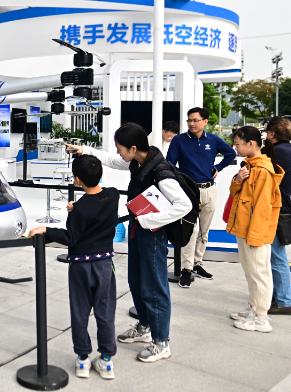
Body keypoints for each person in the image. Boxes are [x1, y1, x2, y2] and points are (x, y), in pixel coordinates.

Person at [67, 123, 191, 363]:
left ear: (134, 148)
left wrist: (148, 219)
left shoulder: (160, 171)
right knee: (136, 280)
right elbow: (114, 161)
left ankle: (161, 342)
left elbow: (183, 205)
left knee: (154, 287)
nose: (119, 152)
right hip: (139, 230)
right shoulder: (139, 160)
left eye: (121, 148)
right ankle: (144, 327)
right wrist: (85, 150)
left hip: (152, 233)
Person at [28, 155, 120, 380]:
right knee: (105, 312)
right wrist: (77, 206)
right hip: (104, 264)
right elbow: (99, 201)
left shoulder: (80, 209)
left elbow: (71, 237)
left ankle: (82, 359)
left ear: (77, 180)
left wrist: (46, 230)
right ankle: (106, 361)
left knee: (79, 312)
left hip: (80, 266)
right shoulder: (113, 195)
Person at [166, 107, 237, 287]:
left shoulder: (213, 140)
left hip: (209, 190)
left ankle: (198, 264)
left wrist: (218, 168)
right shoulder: (179, 141)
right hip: (188, 191)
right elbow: (169, 165)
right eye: (189, 120)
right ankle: (186, 269)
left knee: (204, 232)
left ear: (205, 121)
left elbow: (231, 154)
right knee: (192, 231)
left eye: (195, 120)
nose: (191, 123)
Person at [227, 126, 284, 332]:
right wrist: (237, 180)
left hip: (254, 232)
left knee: (259, 273)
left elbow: (262, 209)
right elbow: (237, 194)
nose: (236, 148)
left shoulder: (262, 170)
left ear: (251, 144)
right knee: (251, 271)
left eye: (238, 144)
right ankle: (254, 308)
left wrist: (255, 236)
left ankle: (261, 316)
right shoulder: (250, 167)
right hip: (245, 229)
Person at [264, 117, 291, 315]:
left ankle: (284, 302)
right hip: (281, 207)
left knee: (277, 257)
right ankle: (278, 296)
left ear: (272, 134)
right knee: (275, 256)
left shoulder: (278, 152)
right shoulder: (286, 149)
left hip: (278, 210)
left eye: (266, 131)